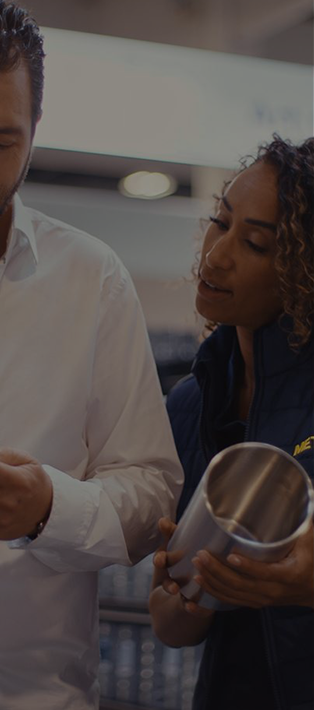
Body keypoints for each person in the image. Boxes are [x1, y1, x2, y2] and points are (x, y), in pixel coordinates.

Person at [0, 2, 184, 708]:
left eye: (1, 140)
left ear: (35, 133)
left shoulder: (94, 280)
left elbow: (152, 495)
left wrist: (51, 508)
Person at [149, 135, 314, 710]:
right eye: (222, 223)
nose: (217, 255)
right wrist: (183, 600)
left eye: (256, 243)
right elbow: (172, 627)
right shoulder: (191, 404)